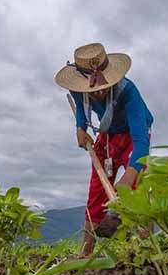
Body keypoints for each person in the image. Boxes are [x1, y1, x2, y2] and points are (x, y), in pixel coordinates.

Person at [54, 43, 153, 255]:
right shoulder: (78, 89)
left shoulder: (128, 92)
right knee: (97, 189)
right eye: (92, 89)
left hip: (133, 136)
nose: (98, 93)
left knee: (137, 186)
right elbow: (81, 107)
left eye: (102, 88)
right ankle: (86, 251)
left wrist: (129, 175)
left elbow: (141, 141)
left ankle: (147, 249)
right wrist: (80, 127)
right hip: (108, 135)